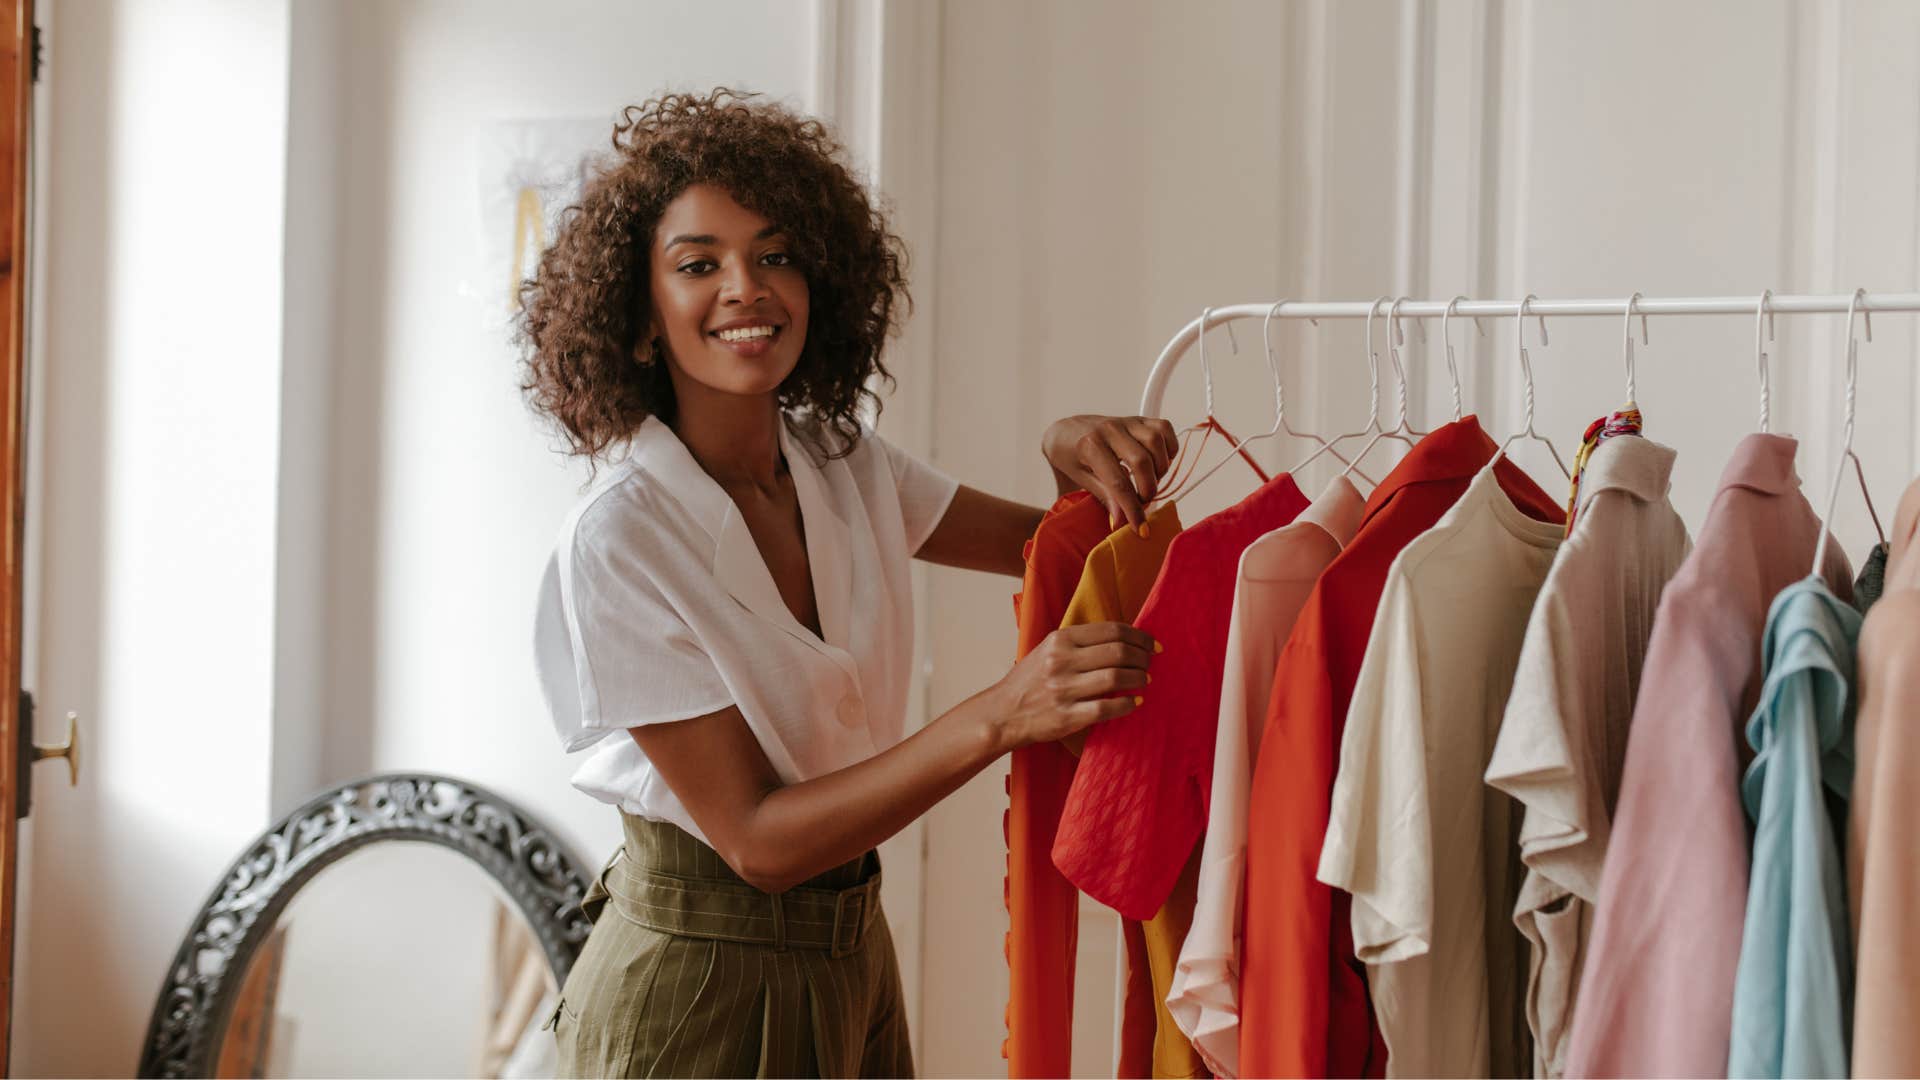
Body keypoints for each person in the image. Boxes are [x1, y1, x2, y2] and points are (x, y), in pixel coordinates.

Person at [521, 89, 1176, 1077]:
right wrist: (1001, 714)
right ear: (642, 318)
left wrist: (1062, 454)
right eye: (699, 264)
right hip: (695, 982)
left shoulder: (841, 460)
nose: (746, 287)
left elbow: (1067, 556)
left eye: (776, 254)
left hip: (851, 954)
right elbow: (757, 842)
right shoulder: (619, 542)